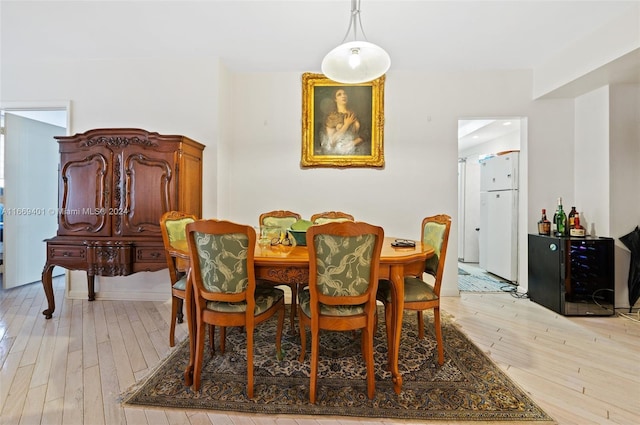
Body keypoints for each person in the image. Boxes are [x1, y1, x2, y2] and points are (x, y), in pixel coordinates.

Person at [320, 88, 368, 155]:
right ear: (335, 99)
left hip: (357, 151)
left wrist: (352, 143)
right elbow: (331, 141)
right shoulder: (331, 117)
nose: (343, 96)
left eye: (344, 94)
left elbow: (365, 134)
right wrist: (346, 124)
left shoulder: (354, 114)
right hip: (339, 153)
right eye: (339, 95)